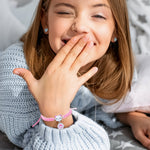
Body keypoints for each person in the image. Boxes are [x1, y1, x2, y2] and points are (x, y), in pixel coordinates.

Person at [0, 0, 146, 149]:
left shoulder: (113, 67)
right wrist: (55, 112)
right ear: (45, 20)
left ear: (115, 30)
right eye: (65, 12)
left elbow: (97, 107)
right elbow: (30, 141)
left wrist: (131, 117)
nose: (80, 27)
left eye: (98, 15)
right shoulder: (16, 72)